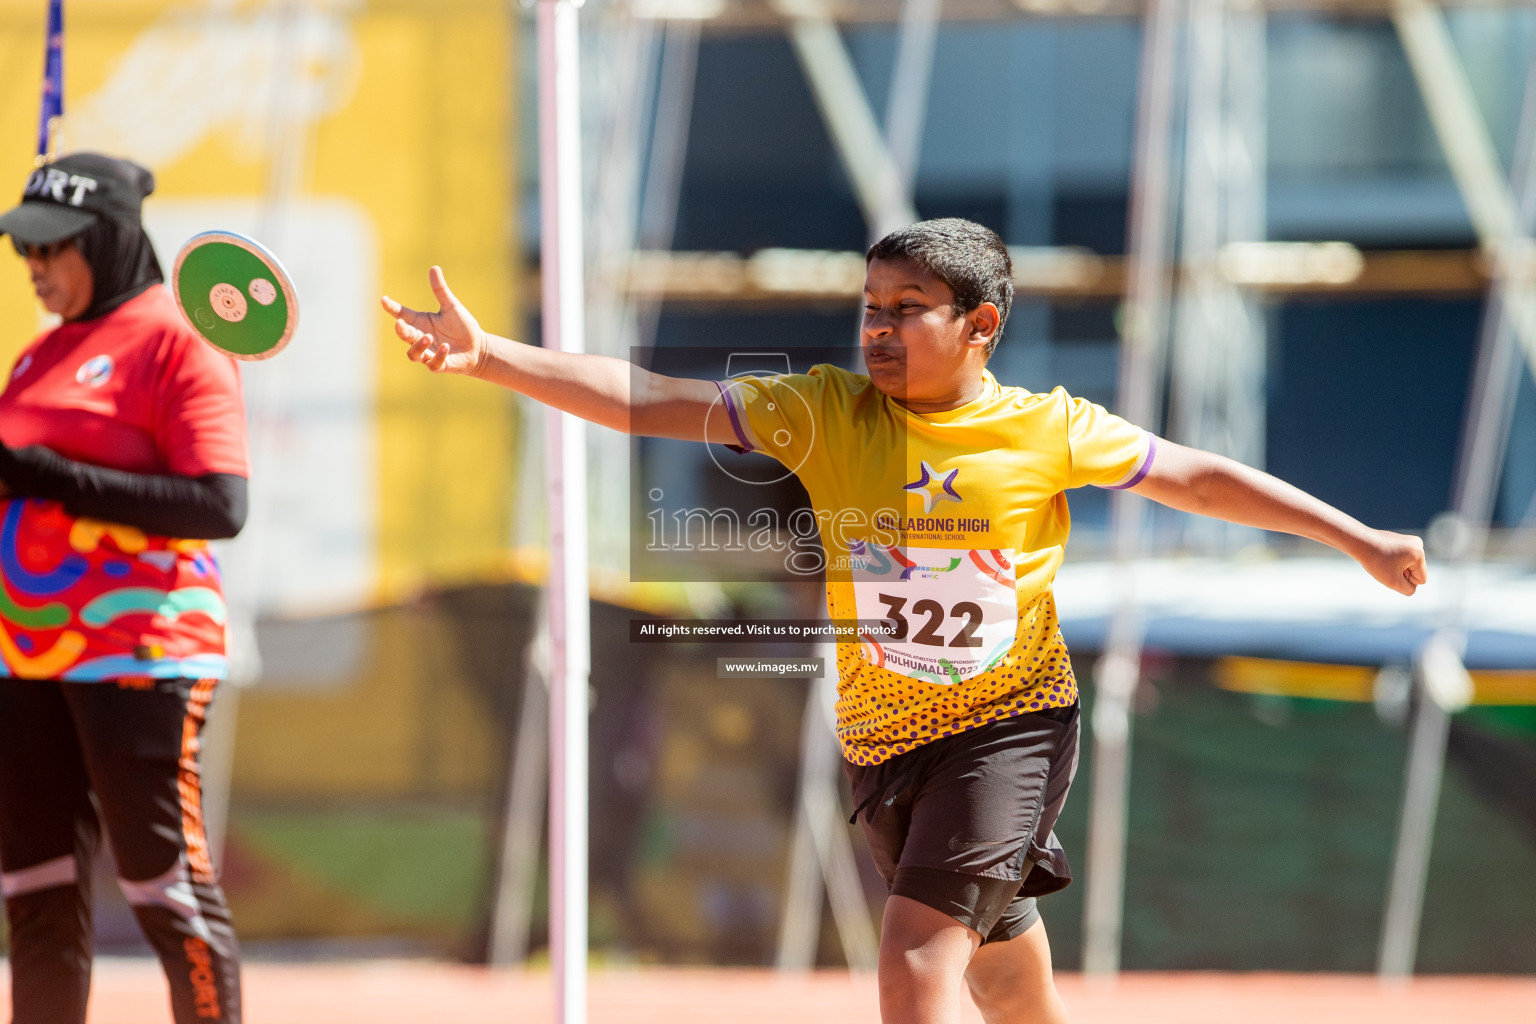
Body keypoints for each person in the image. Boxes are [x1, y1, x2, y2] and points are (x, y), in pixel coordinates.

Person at [382, 217, 1426, 1024]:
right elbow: (651, 395)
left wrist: (1357, 539)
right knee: (1010, 987)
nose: (878, 327)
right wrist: (492, 358)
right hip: (883, 745)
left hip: (1009, 730)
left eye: (908, 307)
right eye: (870, 306)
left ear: (982, 325)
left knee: (915, 963)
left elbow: (1195, 478)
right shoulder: (828, 411)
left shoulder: (1046, 427)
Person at [0, 153, 247, 1024]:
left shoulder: (177, 339)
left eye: (50, 248)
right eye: (22, 250)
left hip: (139, 648)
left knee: (162, 888)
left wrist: (48, 474)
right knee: (32, 890)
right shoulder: (39, 355)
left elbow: (220, 504)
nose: (33, 267)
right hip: (25, 655)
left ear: (104, 240)